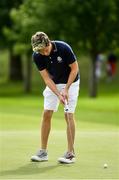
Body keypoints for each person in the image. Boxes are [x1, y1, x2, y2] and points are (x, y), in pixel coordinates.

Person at [30, 32, 80, 164]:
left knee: (68, 114)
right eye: (40, 51)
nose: (44, 53)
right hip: (54, 84)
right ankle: (43, 152)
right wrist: (59, 94)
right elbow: (46, 79)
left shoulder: (63, 48)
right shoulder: (37, 56)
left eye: (45, 49)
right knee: (47, 113)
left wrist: (67, 89)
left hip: (72, 82)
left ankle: (70, 153)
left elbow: (74, 69)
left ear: (49, 43)